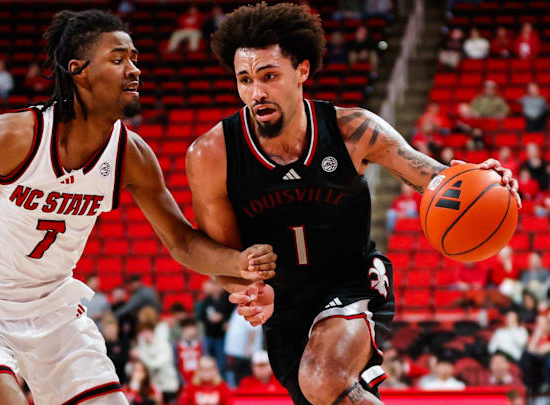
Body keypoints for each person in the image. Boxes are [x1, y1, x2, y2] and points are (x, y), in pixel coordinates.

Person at [0, 10, 277, 405]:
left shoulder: (131, 154)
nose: (134, 70)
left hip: (54, 312)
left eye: (135, 58)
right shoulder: (15, 136)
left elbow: (181, 242)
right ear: (79, 70)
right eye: (118, 59)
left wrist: (237, 263)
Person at [186, 3, 520, 404]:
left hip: (353, 279)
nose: (255, 93)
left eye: (269, 76)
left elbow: (433, 179)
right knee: (324, 392)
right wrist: (248, 290)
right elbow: (222, 252)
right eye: (244, 80)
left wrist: (483, 180)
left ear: (302, 71)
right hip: (285, 304)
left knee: (322, 377)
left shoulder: (352, 130)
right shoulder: (212, 154)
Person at [132, 321, 179, 403]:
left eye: (147, 331)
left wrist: (141, 356)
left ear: (153, 331)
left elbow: (156, 365)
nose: (145, 335)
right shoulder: (144, 347)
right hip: (155, 388)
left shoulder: (163, 345)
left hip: (168, 387)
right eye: (142, 332)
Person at [196, 278, 234, 378]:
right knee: (208, 360)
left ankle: (222, 380)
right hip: (209, 335)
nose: (215, 287)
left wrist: (224, 319)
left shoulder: (228, 298)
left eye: (217, 284)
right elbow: (201, 316)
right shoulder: (207, 300)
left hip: (222, 336)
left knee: (222, 362)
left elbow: (233, 314)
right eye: (214, 285)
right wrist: (210, 319)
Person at [223, 308, 263, 387]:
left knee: (244, 377)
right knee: (237, 375)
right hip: (236, 352)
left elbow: (253, 329)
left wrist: (250, 346)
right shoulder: (239, 308)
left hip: (244, 353)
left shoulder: (250, 309)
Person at [176, 317, 203, 386]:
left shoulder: (200, 344)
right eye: (188, 328)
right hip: (182, 380)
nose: (191, 330)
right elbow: (175, 364)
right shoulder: (177, 345)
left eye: (193, 328)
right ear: (183, 329)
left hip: (198, 379)